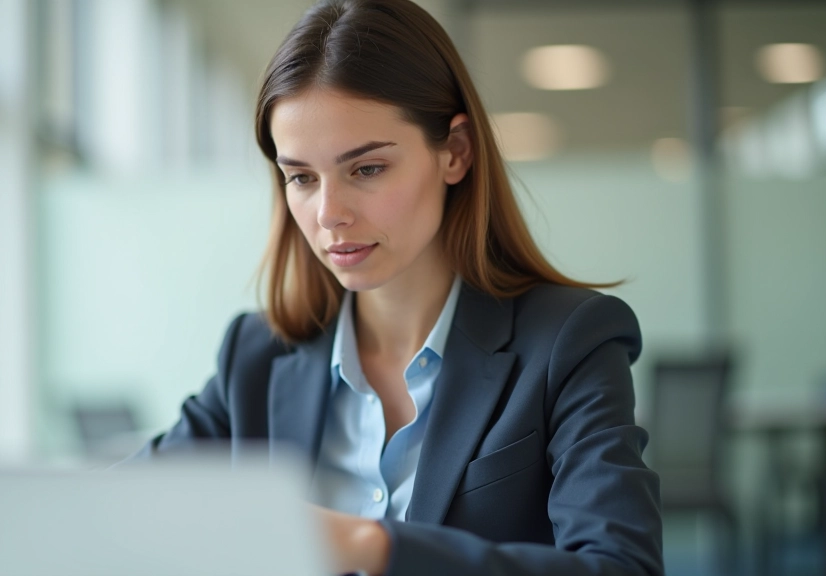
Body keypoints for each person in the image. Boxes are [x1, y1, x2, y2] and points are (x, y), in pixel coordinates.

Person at [135, 0, 663, 574]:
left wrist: (373, 546)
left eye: (366, 169)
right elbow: (116, 513)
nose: (328, 214)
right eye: (302, 178)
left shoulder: (568, 341)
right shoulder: (257, 356)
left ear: (454, 153)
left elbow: (620, 566)